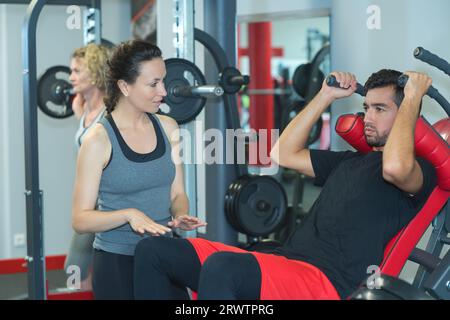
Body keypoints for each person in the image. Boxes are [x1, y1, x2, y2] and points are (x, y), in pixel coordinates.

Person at [132, 69, 437, 300]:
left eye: (380, 109)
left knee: (222, 268)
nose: (368, 117)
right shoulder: (348, 161)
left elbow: (396, 167)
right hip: (284, 261)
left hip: (324, 282)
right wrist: (325, 96)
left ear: (406, 114)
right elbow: (282, 153)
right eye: (366, 107)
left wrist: (413, 96)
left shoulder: (418, 172)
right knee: (154, 251)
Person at [71, 40, 206, 300]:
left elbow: (177, 193)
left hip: (164, 254)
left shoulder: (169, 127)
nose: (164, 91)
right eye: (153, 84)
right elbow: (80, 220)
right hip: (117, 262)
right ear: (124, 86)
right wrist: (129, 214)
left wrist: (180, 214)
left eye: (163, 81)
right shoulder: (98, 140)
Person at [64, 43, 110, 291]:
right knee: (77, 269)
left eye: (77, 71)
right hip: (89, 202)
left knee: (80, 270)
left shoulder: (110, 112)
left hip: (106, 204)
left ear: (94, 72)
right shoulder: (81, 109)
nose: (71, 77)